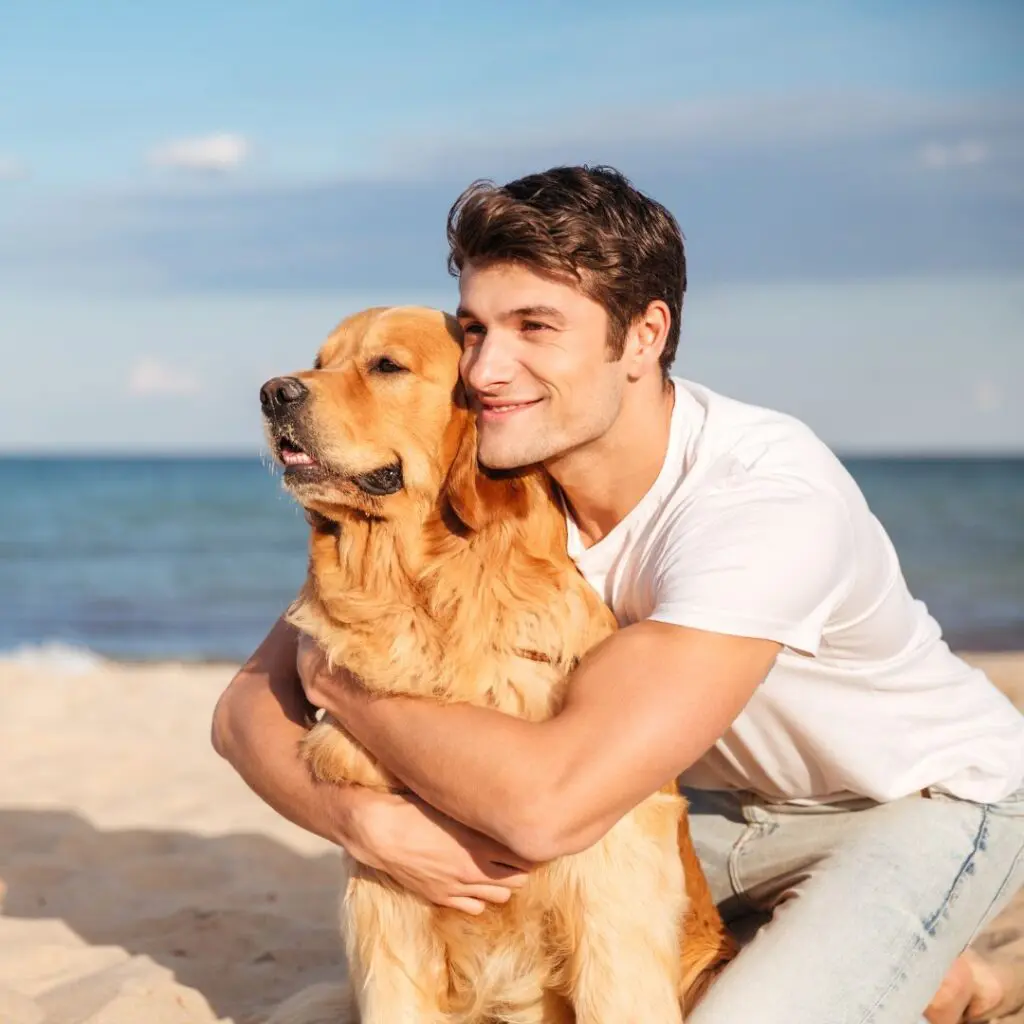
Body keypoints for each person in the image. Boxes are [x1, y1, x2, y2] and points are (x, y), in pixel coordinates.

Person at [213, 165, 1024, 1023]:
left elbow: (545, 808)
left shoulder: (760, 501)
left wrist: (337, 682)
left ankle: (946, 973)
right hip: (705, 802)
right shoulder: (500, 476)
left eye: (536, 327)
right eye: (476, 330)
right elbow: (240, 716)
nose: (487, 369)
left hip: (914, 801)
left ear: (643, 336)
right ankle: (880, 964)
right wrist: (357, 821)